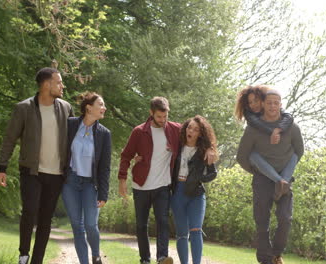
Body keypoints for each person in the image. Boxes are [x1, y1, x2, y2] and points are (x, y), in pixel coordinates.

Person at [118, 97, 216, 264]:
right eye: (159, 117)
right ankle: (145, 259)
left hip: (163, 185)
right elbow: (126, 156)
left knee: (163, 221)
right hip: (141, 185)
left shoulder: (174, 129)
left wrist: (210, 148)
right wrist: (122, 180)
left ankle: (162, 257)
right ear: (151, 113)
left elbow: (199, 133)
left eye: (165, 116)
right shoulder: (139, 131)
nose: (163, 121)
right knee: (141, 225)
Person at [0, 67, 73, 264]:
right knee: (30, 212)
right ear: (46, 84)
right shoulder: (24, 108)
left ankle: (37, 260)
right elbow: (9, 139)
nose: (62, 86)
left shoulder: (65, 108)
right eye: (58, 82)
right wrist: (1, 167)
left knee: (46, 219)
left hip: (56, 174)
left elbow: (75, 140)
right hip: (31, 171)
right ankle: (23, 255)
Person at [236, 89, 304, 264]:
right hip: (262, 181)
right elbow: (242, 157)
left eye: (276, 102)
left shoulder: (292, 127)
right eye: (269, 102)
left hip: (285, 178)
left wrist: (286, 174)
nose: (273, 106)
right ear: (263, 105)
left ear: (281, 104)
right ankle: (265, 260)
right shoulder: (253, 129)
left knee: (285, 218)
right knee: (262, 222)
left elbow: (299, 151)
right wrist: (258, 171)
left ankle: (276, 254)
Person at [62, 92, 111, 264]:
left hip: (91, 184)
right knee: (77, 226)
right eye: (101, 104)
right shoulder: (70, 125)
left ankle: (96, 256)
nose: (104, 108)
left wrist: (103, 194)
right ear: (89, 107)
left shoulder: (104, 134)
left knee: (91, 224)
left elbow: (105, 167)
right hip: (70, 182)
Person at [235, 85, 297, 200]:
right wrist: (272, 132)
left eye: (256, 100)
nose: (253, 105)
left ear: (263, 101)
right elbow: (242, 156)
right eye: (250, 102)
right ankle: (281, 182)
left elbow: (288, 116)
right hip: (262, 165)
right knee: (252, 154)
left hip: (282, 164)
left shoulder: (274, 108)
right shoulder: (250, 117)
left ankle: (284, 182)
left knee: (294, 154)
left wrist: (278, 129)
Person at [170, 115, 218, 264]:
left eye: (196, 129)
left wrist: (199, 179)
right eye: (189, 127)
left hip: (196, 194)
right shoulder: (176, 146)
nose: (191, 131)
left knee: (196, 230)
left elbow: (213, 173)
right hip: (177, 193)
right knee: (182, 234)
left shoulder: (204, 151)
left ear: (200, 133)